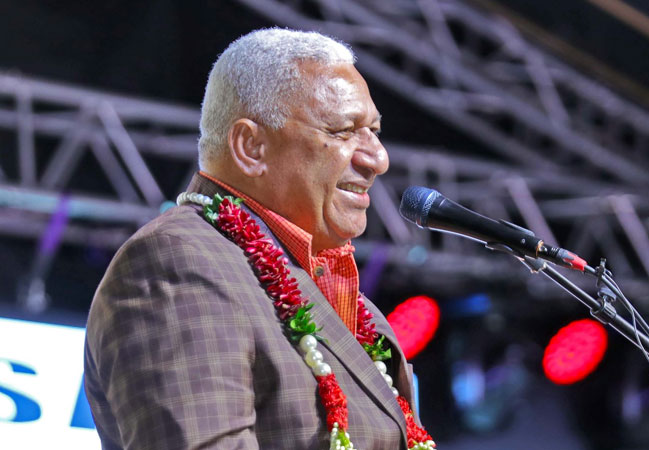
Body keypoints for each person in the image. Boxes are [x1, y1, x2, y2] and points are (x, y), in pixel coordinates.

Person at [84, 28, 434, 450]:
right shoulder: (179, 260)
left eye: (374, 130)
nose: (378, 158)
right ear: (251, 147)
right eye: (344, 130)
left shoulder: (356, 308)